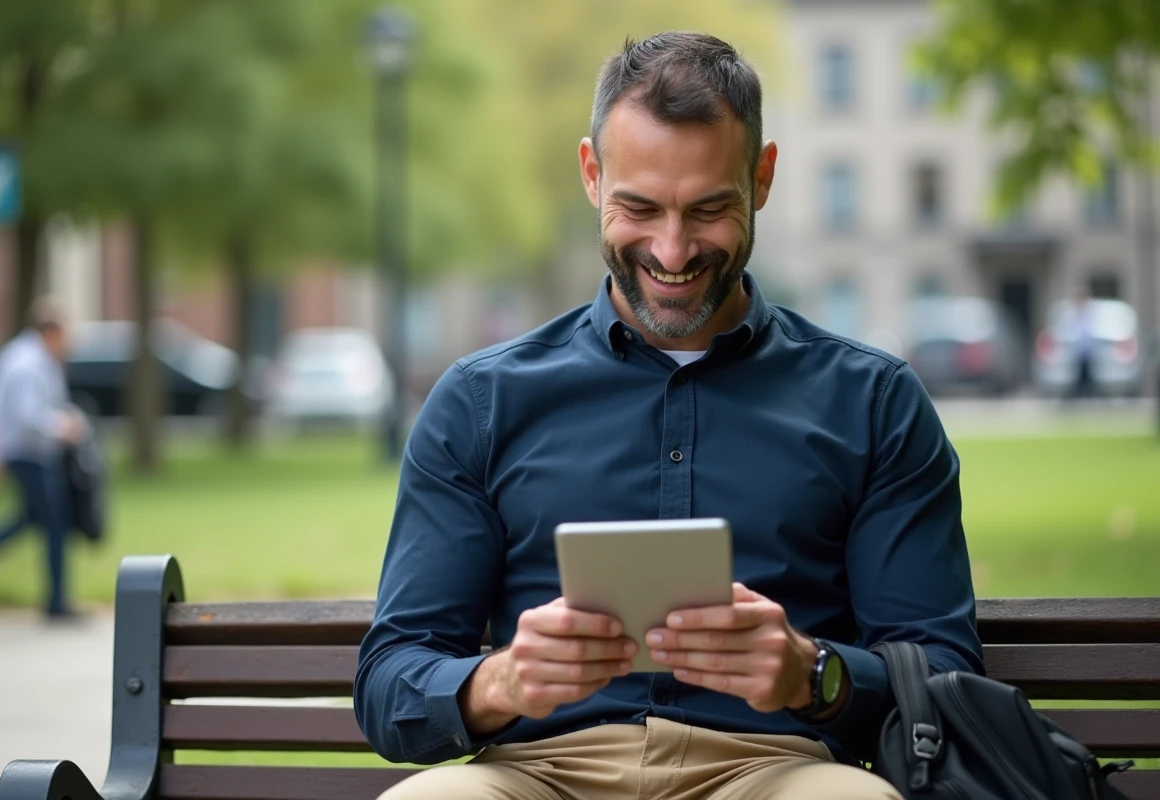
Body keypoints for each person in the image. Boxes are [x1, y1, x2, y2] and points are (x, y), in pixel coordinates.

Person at [355, 32, 983, 800]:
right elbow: (391, 682)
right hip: (538, 773)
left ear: (763, 176)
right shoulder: (481, 402)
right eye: (639, 207)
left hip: (775, 769)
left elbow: (945, 678)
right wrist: (502, 682)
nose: (673, 249)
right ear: (592, 174)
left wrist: (812, 674)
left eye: (710, 208)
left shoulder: (874, 401)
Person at [0, 296, 85, 620]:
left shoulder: (24, 356)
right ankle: (57, 602)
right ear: (52, 331)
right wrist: (63, 427)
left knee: (23, 523)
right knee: (55, 522)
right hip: (28, 455)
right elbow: (27, 416)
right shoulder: (29, 363)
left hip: (26, 453)